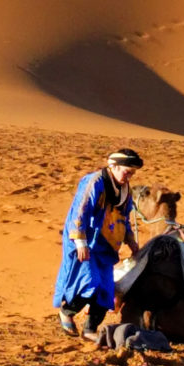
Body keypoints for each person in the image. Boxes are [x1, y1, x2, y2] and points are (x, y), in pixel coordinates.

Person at [53, 147, 143, 343]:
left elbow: (123, 217)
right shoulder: (94, 182)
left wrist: (130, 240)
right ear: (114, 166)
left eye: (131, 174)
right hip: (87, 243)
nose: (128, 177)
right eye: (127, 172)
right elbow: (80, 210)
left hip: (107, 247)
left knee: (105, 290)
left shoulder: (125, 190)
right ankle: (66, 312)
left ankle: (89, 329)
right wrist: (80, 241)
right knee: (89, 282)